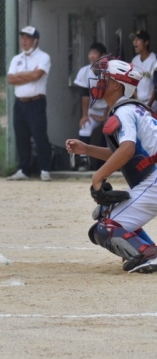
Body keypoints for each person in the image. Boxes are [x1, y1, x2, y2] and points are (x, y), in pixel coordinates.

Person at [65, 58, 157, 274]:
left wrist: (97, 177)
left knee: (105, 227)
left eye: (104, 77)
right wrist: (87, 149)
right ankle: (147, 250)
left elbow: (127, 150)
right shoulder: (132, 108)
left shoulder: (124, 111)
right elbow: (124, 153)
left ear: (116, 85)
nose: (99, 81)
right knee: (107, 214)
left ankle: (148, 254)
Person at [7, 26, 52, 181]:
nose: (24, 41)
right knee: (21, 136)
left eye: (28, 38)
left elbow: (37, 75)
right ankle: (23, 169)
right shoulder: (16, 59)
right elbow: (10, 79)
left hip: (36, 102)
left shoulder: (43, 57)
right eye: (22, 38)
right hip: (20, 103)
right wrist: (28, 75)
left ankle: (44, 169)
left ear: (35, 40)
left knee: (40, 136)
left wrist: (20, 75)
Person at [72, 42, 108, 171]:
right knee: (85, 126)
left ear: (103, 56)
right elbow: (85, 95)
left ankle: (111, 162)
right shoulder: (84, 71)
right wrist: (84, 116)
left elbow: (114, 96)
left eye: (95, 53)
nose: (92, 56)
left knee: (112, 129)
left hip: (109, 110)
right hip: (93, 111)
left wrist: (105, 116)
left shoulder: (109, 72)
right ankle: (83, 160)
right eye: (90, 53)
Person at [131, 30, 156, 110]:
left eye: (138, 39)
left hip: (153, 104)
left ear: (146, 43)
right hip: (139, 103)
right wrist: (136, 97)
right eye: (134, 39)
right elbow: (131, 82)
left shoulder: (154, 60)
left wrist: (148, 106)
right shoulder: (134, 60)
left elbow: (156, 87)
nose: (134, 42)